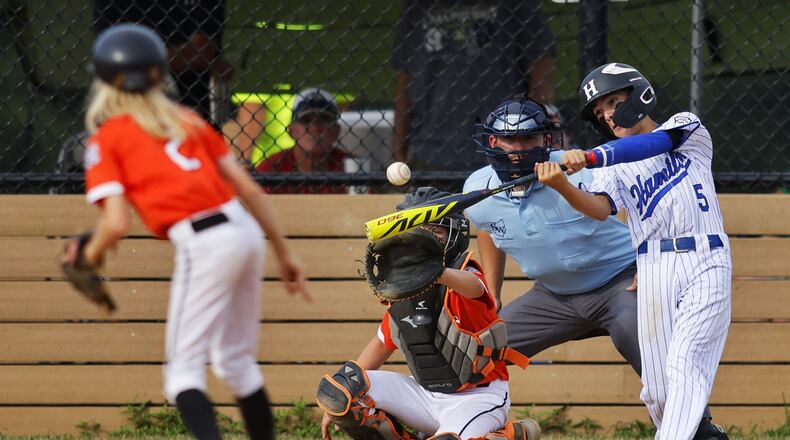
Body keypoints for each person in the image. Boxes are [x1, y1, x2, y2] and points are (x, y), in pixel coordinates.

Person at [79, 24, 311, 440]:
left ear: (104, 81)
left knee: (182, 374)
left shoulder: (107, 137)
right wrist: (284, 252)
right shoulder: (187, 120)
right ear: (158, 74)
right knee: (235, 362)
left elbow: (115, 223)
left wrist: (89, 256)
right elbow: (250, 190)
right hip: (242, 231)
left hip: (203, 241)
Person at [463, 96, 728, 440]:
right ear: (493, 142)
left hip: (620, 284)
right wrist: (494, 294)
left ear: (546, 139)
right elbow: (486, 226)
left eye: (528, 138)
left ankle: (699, 430)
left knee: (652, 348)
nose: (517, 149)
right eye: (510, 139)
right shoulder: (477, 188)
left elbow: (644, 207)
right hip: (553, 298)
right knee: (477, 352)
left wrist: (648, 265)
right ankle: (463, 428)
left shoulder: (580, 168)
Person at [535, 62, 732, 440]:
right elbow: (600, 209)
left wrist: (591, 156)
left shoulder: (684, 127)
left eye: (612, 101)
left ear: (637, 94)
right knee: (658, 391)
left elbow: (651, 144)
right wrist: (562, 185)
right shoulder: (613, 166)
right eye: (599, 111)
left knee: (685, 364)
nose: (607, 114)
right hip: (654, 266)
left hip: (705, 258)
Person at [316, 187, 538, 440]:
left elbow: (475, 288)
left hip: (478, 398)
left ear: (455, 235)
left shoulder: (467, 276)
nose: (425, 238)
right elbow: (380, 345)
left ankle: (506, 436)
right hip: (424, 395)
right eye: (417, 231)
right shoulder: (404, 291)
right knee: (340, 388)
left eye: (436, 231)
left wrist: (437, 273)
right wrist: (343, 404)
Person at [392, 0, 555, 172]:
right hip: (430, 150)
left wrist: (533, 137)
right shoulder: (417, 6)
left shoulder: (517, 4)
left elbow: (541, 72)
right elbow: (404, 82)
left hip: (503, 147)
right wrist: (397, 153)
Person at [93, 0, 232, 121]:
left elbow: (203, 50)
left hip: (188, 107)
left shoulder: (199, 136)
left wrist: (137, 63)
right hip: (128, 107)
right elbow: (112, 51)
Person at [255, 88, 348, 194]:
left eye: (324, 120)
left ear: (337, 131)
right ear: (291, 130)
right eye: (306, 120)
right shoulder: (270, 169)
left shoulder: (352, 166)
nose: (315, 128)